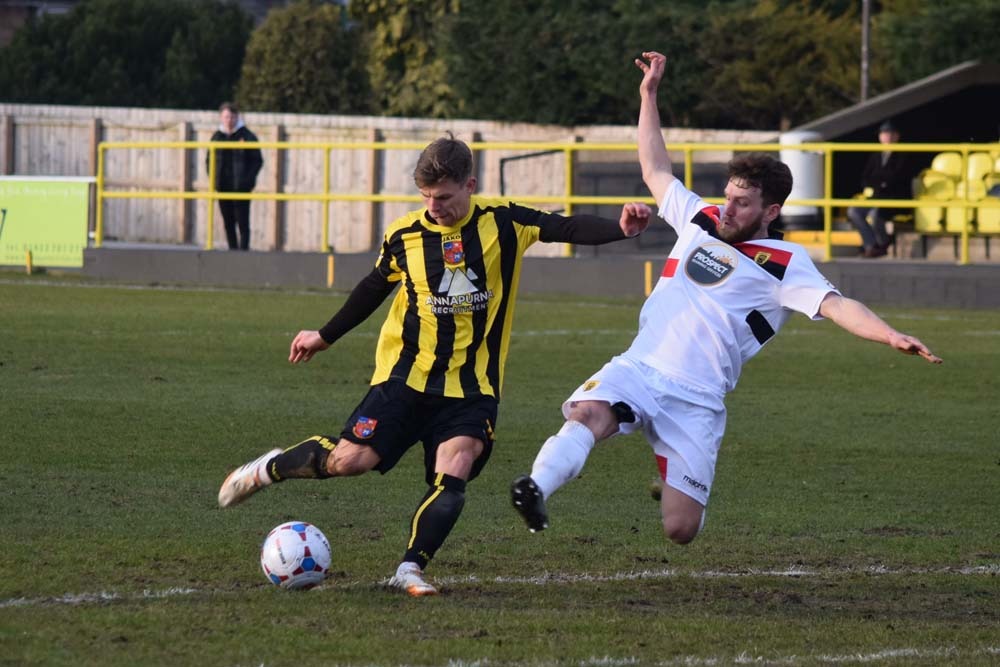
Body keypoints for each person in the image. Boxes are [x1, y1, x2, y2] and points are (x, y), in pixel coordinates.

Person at [510, 51, 942, 546]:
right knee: (586, 415)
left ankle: (669, 470)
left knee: (680, 530)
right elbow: (655, 168)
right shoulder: (700, 218)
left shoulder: (785, 261)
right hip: (640, 367)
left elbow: (837, 305)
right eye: (727, 195)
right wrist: (648, 94)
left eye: (741, 203)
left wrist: (889, 335)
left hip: (697, 399)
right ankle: (535, 488)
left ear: (770, 210)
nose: (727, 208)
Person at [218, 134, 653, 596]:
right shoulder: (405, 235)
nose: (434, 206)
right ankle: (269, 468)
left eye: (443, 197)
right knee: (351, 461)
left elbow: (566, 228)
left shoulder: (504, 222)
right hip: (406, 377)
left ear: (470, 184)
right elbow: (371, 288)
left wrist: (621, 229)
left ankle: (410, 568)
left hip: (473, 386)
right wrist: (324, 336)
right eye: (426, 196)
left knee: (457, 463)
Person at [847, 120, 911, 258]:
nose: (886, 137)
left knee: (876, 214)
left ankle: (883, 243)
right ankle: (871, 245)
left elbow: (895, 178)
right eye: (884, 134)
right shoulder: (876, 155)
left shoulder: (903, 154)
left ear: (897, 136)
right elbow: (865, 177)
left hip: (894, 198)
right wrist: (879, 182)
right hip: (876, 197)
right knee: (853, 211)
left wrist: (878, 182)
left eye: (890, 133)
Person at [207, 102, 263, 251]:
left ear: (237, 117)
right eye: (226, 117)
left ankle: (243, 252)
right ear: (221, 118)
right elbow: (209, 160)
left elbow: (257, 161)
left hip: (241, 188)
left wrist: (247, 182)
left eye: (232, 117)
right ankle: (232, 251)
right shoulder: (217, 137)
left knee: (242, 222)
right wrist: (214, 181)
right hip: (223, 187)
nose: (229, 120)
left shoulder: (247, 136)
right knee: (228, 222)